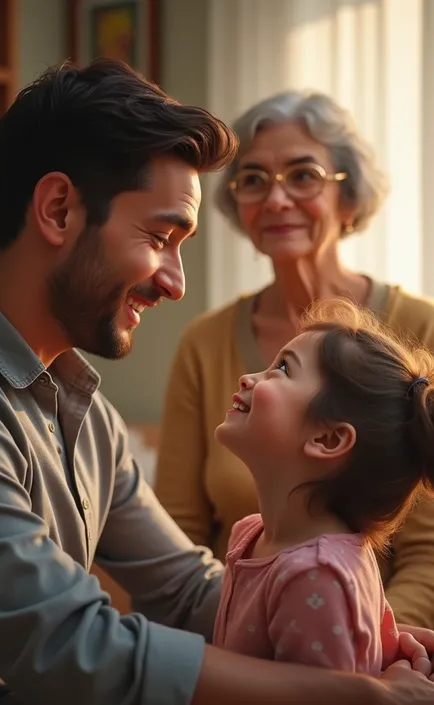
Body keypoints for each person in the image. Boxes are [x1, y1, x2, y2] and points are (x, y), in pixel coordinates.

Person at [0, 59, 433, 705]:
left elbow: (187, 588)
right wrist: (355, 692)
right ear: (59, 209)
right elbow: (71, 646)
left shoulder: (84, 410)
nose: (175, 282)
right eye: (160, 236)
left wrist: (365, 634)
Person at [155, 90, 434, 628]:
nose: (276, 199)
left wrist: (362, 650)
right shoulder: (204, 342)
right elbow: (179, 532)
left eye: (302, 175)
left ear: (348, 199)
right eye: (254, 180)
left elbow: (428, 552)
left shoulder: (420, 331)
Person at [214, 298, 434, 674]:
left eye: (282, 369)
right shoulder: (250, 534)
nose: (249, 377)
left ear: (329, 440)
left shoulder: (316, 576)